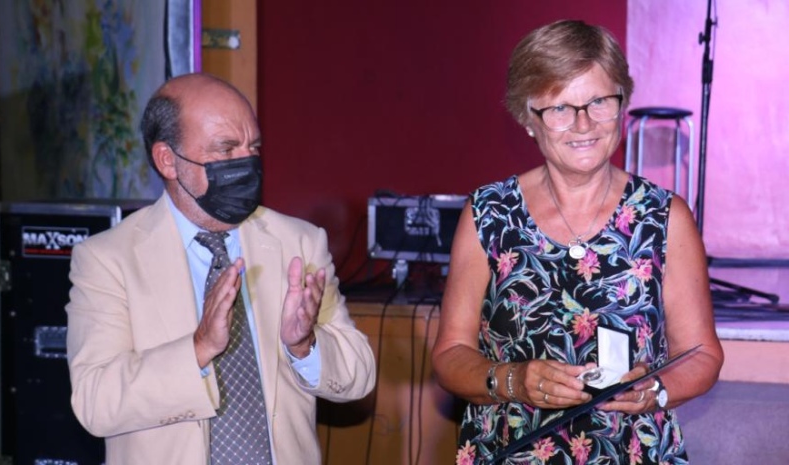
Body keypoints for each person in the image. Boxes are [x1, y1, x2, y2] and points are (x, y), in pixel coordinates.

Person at [431, 19, 724, 464]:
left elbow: (702, 356)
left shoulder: (665, 217)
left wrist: (654, 392)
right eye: (561, 108)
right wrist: (514, 379)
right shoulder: (488, 214)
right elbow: (451, 355)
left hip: (633, 451)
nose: (584, 124)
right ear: (528, 119)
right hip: (512, 451)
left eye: (599, 101)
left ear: (622, 103)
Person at [65, 73, 376, 465]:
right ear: (168, 160)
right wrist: (197, 349)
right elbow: (97, 401)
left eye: (253, 147)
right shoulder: (108, 259)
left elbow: (359, 376)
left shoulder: (298, 242)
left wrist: (304, 346)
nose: (245, 163)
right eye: (226, 150)